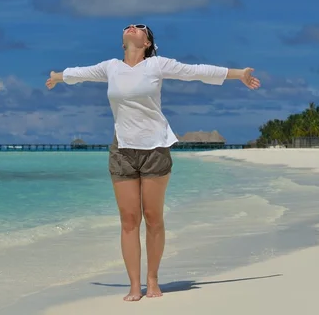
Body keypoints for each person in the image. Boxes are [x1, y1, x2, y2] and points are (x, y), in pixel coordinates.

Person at [45, 24, 260, 302]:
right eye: (130, 26)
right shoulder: (111, 67)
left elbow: (196, 71)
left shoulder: (157, 65)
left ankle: (153, 279)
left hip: (155, 148)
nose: (134, 27)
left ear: (147, 43)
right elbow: (80, 74)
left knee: (153, 218)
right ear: (124, 41)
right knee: (129, 220)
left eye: (141, 28)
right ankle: (135, 285)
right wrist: (58, 77)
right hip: (122, 149)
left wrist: (238, 74)